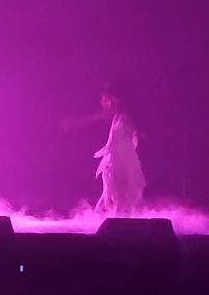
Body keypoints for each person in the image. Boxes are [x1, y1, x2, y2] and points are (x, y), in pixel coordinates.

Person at [62, 83, 146, 216]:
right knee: (113, 201)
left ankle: (117, 220)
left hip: (123, 165)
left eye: (105, 100)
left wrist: (137, 132)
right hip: (116, 163)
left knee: (120, 201)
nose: (102, 103)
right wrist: (76, 123)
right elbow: (99, 118)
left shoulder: (125, 118)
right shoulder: (118, 117)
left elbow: (137, 131)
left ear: (114, 100)